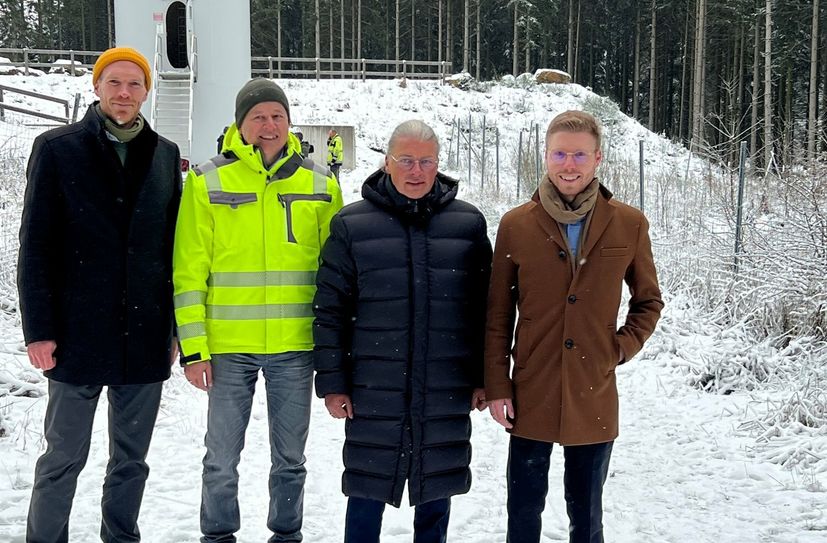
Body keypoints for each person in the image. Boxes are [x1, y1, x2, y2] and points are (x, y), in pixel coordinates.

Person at [18, 46, 181, 542]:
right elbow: (36, 246)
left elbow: (174, 249)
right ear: (97, 88)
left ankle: (120, 536)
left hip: (144, 333)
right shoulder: (57, 148)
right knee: (63, 456)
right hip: (75, 333)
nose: (125, 93)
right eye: (115, 83)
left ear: (147, 92)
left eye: (135, 85)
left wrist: (174, 326)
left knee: (131, 459)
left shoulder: (166, 154)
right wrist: (39, 330)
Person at [173, 78, 343, 543]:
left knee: (290, 459)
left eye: (277, 116)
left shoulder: (321, 182)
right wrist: (194, 348)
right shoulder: (207, 179)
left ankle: (286, 534)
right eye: (257, 117)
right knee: (221, 459)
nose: (268, 125)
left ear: (289, 122)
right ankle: (218, 535)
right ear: (240, 123)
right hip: (228, 350)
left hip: (294, 347)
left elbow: (337, 273)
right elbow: (189, 272)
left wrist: (334, 345)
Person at [484, 110, 664, 543]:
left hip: (593, 391)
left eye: (579, 155)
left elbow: (648, 301)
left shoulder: (629, 223)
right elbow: (497, 314)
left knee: (587, 514)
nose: (569, 164)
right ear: (546, 157)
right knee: (524, 509)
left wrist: (618, 348)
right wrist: (497, 386)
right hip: (532, 388)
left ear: (598, 158)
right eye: (560, 154)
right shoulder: (516, 224)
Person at [313, 119, 492, 543]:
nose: (416, 171)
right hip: (373, 385)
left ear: (438, 164)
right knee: (367, 485)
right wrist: (334, 383)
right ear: (387, 162)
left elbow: (486, 310)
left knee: (436, 483)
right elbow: (330, 310)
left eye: (426, 162)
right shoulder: (351, 225)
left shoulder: (467, 225)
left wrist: (485, 377)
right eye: (406, 160)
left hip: (444, 382)